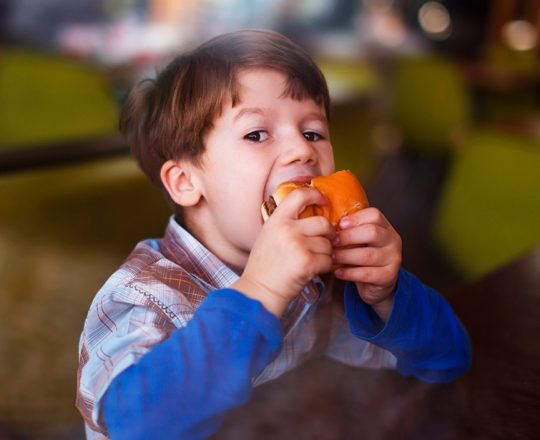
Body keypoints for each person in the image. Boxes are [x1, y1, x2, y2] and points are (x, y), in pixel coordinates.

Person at [76, 29, 471, 439]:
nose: (302, 151)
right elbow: (133, 427)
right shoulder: (142, 296)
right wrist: (261, 289)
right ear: (185, 182)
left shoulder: (319, 280)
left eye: (313, 132)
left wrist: (388, 296)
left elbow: (446, 359)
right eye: (257, 134)